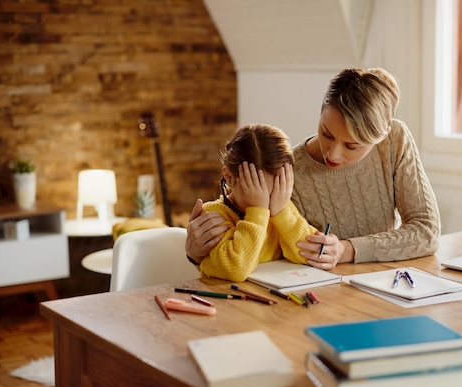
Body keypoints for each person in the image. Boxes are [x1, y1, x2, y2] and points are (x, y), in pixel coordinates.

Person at [186, 67, 440, 270]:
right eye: (326, 134)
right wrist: (195, 253)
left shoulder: (396, 140)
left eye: (352, 146)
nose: (333, 153)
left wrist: (346, 250)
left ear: (382, 136)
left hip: (389, 279)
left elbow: (426, 232)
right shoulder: (288, 172)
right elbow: (259, 237)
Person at [196, 124, 319, 282]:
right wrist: (257, 211)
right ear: (229, 176)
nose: (266, 202)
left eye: (274, 191)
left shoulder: (280, 208)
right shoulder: (213, 215)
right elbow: (236, 269)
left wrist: (282, 214)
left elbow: (311, 255)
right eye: (254, 190)